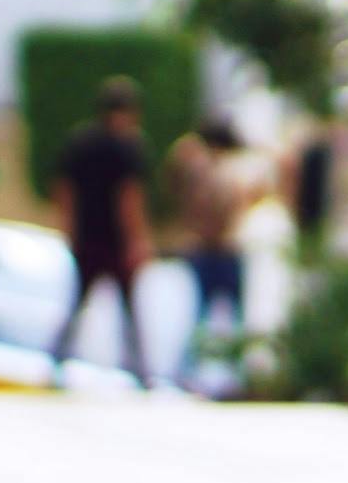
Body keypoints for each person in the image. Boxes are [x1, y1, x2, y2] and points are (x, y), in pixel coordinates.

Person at [48, 76, 153, 387]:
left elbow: (63, 189)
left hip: (86, 238)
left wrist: (68, 229)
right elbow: (129, 198)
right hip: (115, 241)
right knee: (129, 309)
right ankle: (139, 370)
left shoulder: (79, 142)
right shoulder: (128, 146)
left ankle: (56, 362)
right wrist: (137, 240)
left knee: (78, 303)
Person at [165, 113, 261, 387]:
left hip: (220, 249)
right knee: (205, 314)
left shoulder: (217, 171)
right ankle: (194, 371)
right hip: (213, 250)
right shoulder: (204, 170)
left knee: (220, 315)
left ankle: (228, 371)